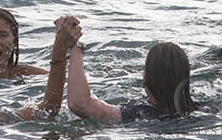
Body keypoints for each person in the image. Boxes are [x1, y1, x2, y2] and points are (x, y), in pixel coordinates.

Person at [67, 39, 203, 124]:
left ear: (145, 78)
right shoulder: (203, 109)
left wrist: (76, 47)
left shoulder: (138, 114)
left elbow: (80, 104)